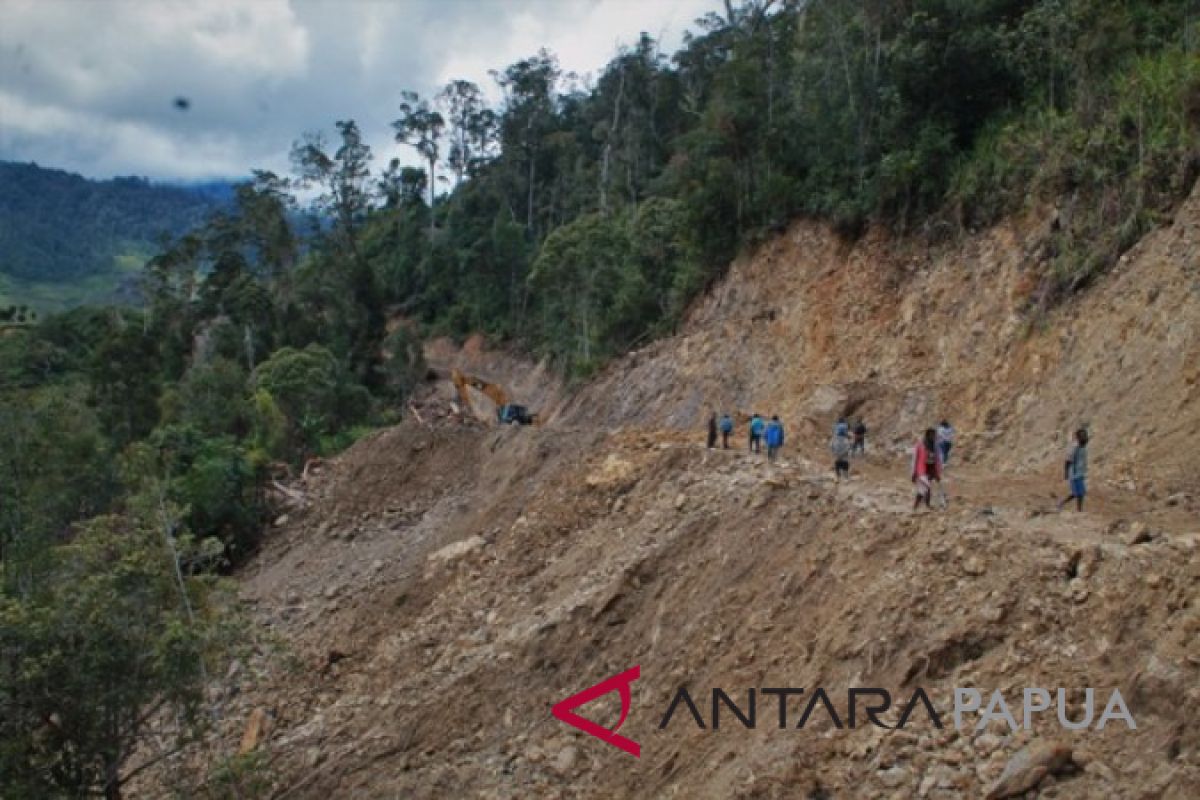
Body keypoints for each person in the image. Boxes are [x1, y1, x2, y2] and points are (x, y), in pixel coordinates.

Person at [911, 428, 944, 510]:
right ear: (928, 435)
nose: (934, 436)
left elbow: (937, 459)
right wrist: (913, 473)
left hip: (930, 469)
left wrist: (937, 473)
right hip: (921, 469)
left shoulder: (935, 446)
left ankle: (918, 506)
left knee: (923, 489)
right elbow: (915, 459)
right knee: (927, 486)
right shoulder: (920, 445)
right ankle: (925, 505)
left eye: (934, 435)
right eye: (933, 435)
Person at [1058, 428, 1089, 512]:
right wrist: (1066, 473)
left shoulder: (1083, 447)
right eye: (1083, 436)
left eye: (1085, 436)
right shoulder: (1075, 448)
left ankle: (1079, 510)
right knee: (1077, 493)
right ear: (1078, 438)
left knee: (1081, 493)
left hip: (1080, 473)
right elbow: (1068, 461)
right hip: (1074, 474)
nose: (1085, 438)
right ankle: (1062, 503)